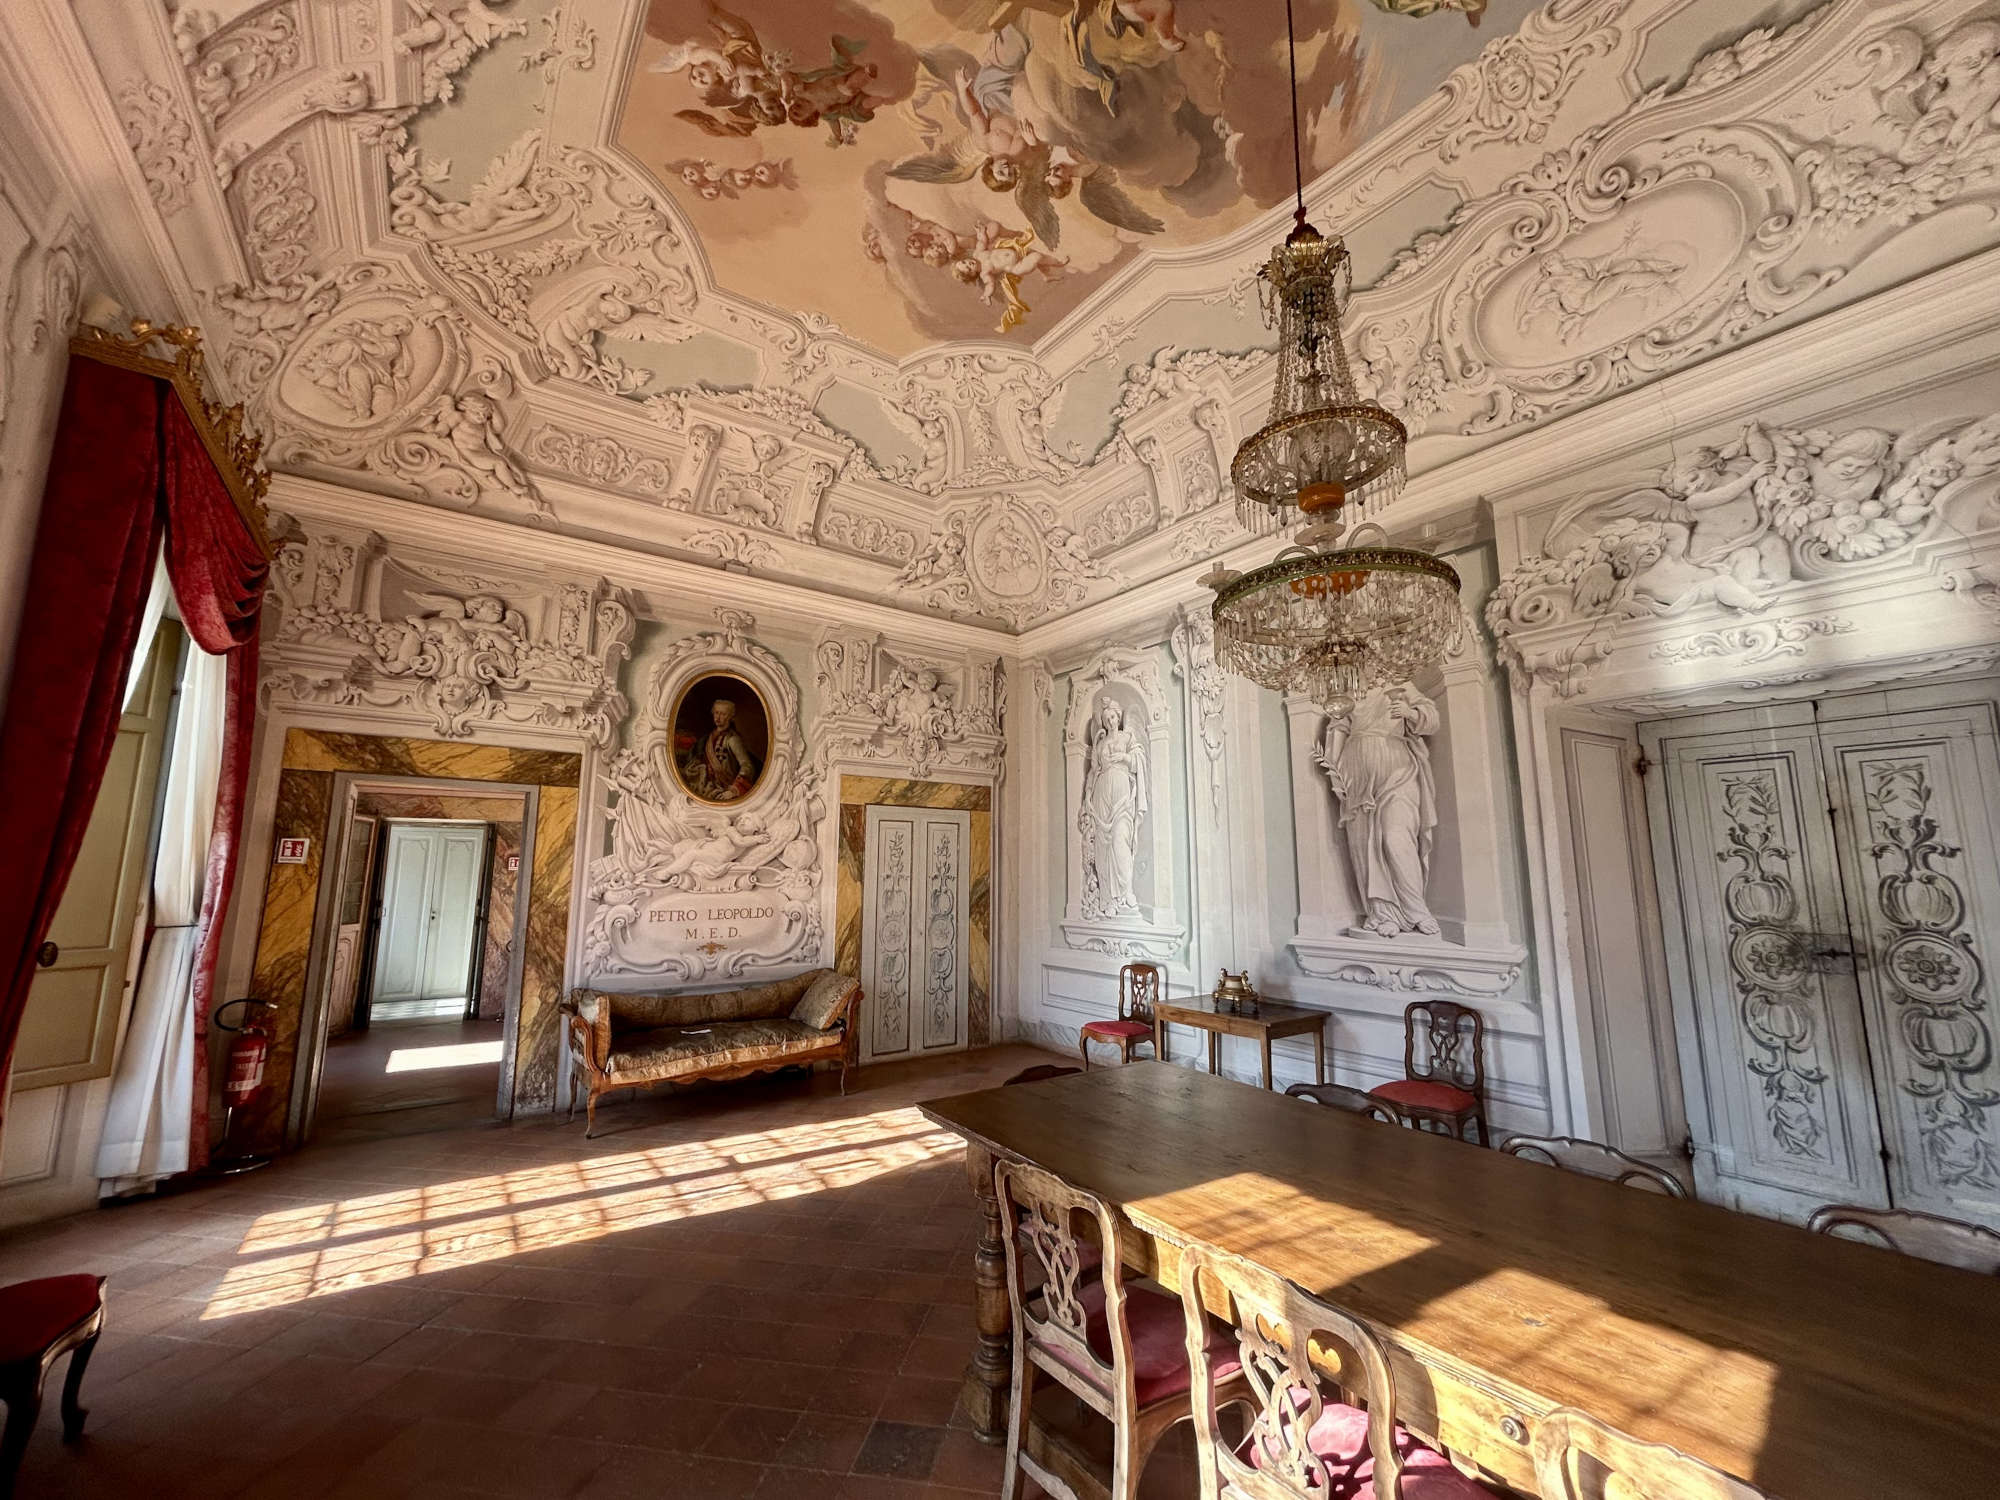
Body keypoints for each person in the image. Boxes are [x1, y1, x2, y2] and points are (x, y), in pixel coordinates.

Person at [679, 696, 760, 802]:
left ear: (730, 717)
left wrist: (734, 791)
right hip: (706, 787)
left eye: (723, 714)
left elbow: (747, 767)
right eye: (716, 713)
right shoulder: (707, 738)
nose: (718, 717)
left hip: (724, 790)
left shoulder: (733, 740)